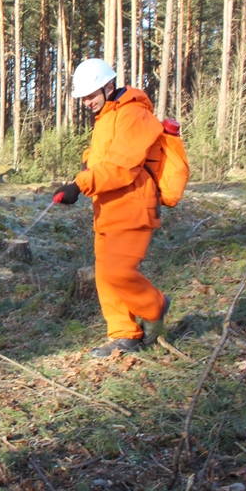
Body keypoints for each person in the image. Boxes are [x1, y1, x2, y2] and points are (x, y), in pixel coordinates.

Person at [53, 59, 170, 358]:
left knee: (118, 271)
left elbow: (122, 166)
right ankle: (124, 335)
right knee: (104, 275)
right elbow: (101, 155)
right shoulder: (106, 116)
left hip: (134, 207)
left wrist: (80, 184)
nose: (86, 102)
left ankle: (155, 304)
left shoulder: (133, 113)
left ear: (108, 86)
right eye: (83, 97)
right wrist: (85, 165)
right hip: (107, 209)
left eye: (91, 95)